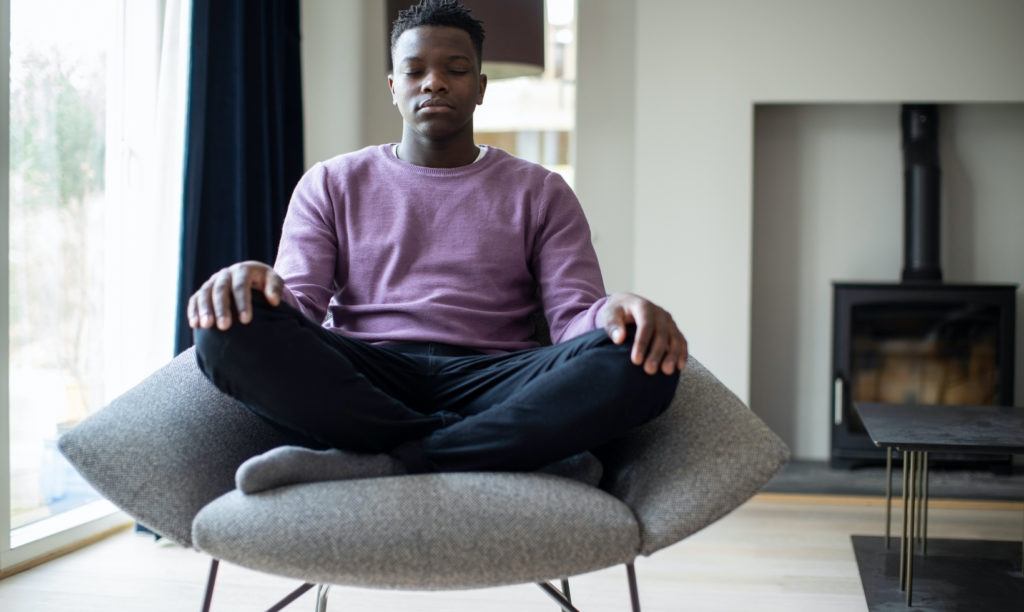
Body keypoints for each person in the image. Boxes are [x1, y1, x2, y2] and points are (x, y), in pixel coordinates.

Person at [188, 0, 687, 493]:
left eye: (455, 69)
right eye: (414, 71)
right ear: (393, 87)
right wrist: (258, 284)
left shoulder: (542, 191)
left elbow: (571, 320)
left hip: (492, 378)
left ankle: (380, 459)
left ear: (480, 88)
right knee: (228, 332)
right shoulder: (331, 183)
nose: (434, 82)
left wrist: (613, 313)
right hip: (368, 375)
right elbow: (300, 305)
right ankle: (502, 453)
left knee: (636, 361)